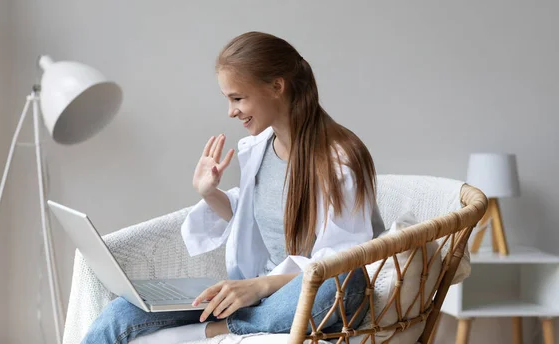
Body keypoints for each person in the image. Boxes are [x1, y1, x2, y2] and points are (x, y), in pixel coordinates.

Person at [82, 32, 384, 344]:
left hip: (312, 291)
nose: (231, 111)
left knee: (338, 283)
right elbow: (250, 215)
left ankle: (216, 328)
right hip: (262, 294)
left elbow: (342, 260)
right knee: (122, 312)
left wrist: (261, 287)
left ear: (277, 87)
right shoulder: (261, 148)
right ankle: (246, 319)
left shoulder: (338, 159)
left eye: (238, 98)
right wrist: (209, 192)